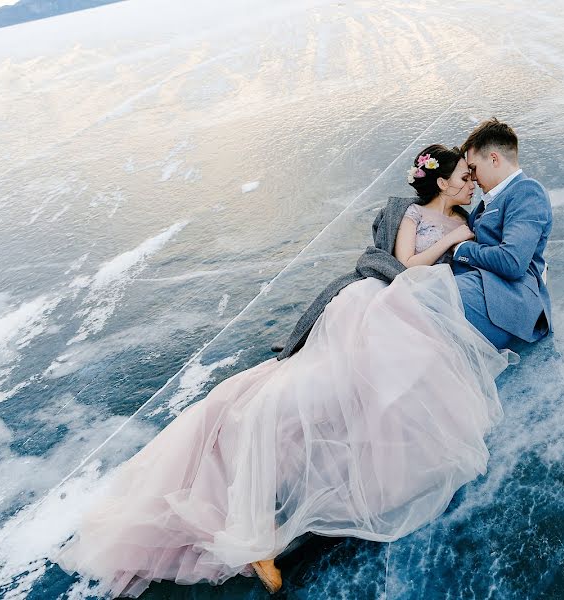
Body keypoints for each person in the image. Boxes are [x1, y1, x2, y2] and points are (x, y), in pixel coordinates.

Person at [55, 144, 516, 597]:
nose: (470, 185)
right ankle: (256, 529)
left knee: (378, 396)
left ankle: (336, 489)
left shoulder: (467, 218)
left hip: (417, 312)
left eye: (471, 178)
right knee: (304, 392)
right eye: (462, 179)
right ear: (441, 183)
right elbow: (405, 264)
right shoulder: (423, 219)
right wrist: (453, 241)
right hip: (380, 302)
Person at [452, 118, 553, 349]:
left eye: (474, 169)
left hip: (508, 298)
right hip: (479, 290)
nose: (473, 178)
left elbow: (512, 261)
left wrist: (463, 250)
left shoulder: (528, 191)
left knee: (424, 299)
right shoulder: (486, 203)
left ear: (494, 159)